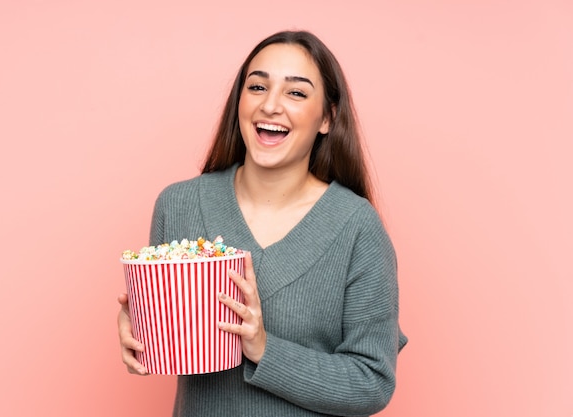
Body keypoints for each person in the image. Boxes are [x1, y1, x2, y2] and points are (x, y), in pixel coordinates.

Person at [117, 30, 407, 417]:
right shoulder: (178, 206)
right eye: (257, 87)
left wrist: (264, 349)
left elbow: (372, 381)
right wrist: (144, 331)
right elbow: (176, 343)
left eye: (296, 93)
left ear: (327, 118)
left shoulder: (356, 227)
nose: (271, 105)